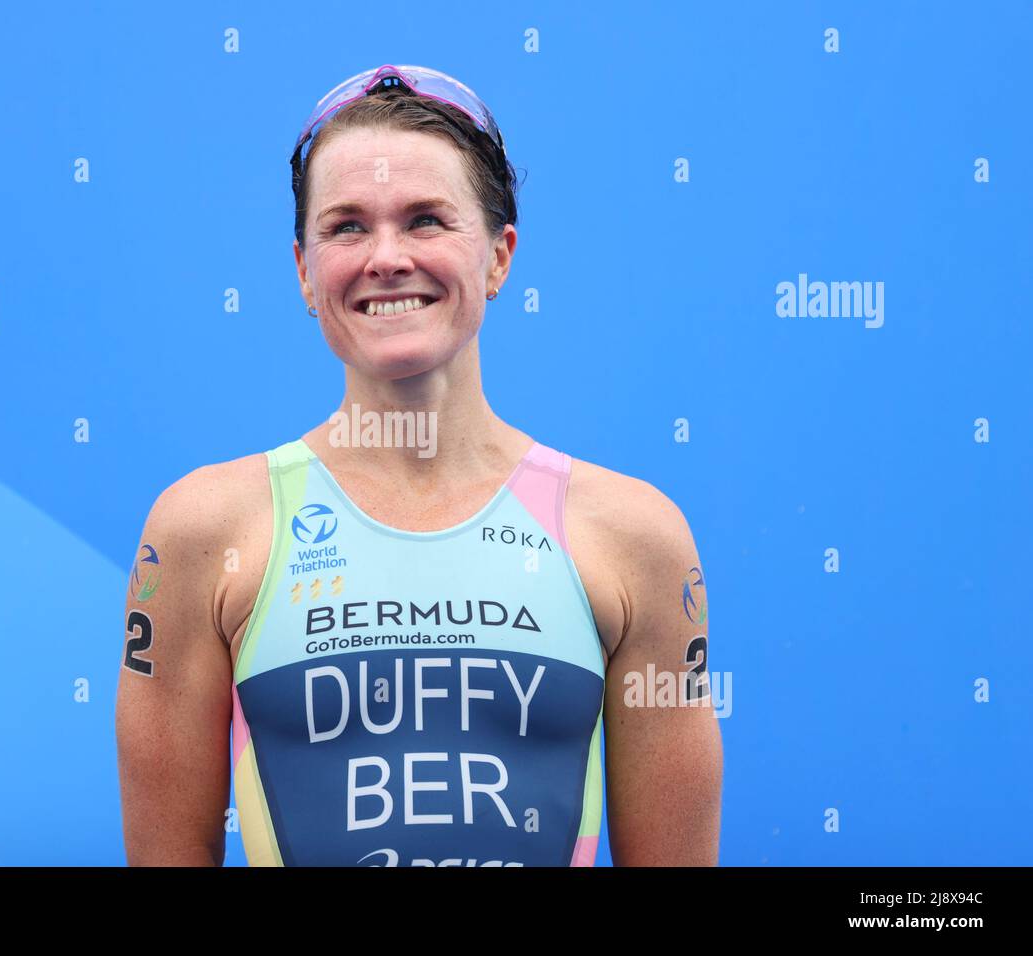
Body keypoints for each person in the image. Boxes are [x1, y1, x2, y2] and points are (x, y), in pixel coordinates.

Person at [116, 65, 722, 866]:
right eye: (347, 228)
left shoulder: (632, 535)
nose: (386, 257)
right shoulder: (206, 529)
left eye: (427, 219)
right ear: (303, 269)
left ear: (500, 257)